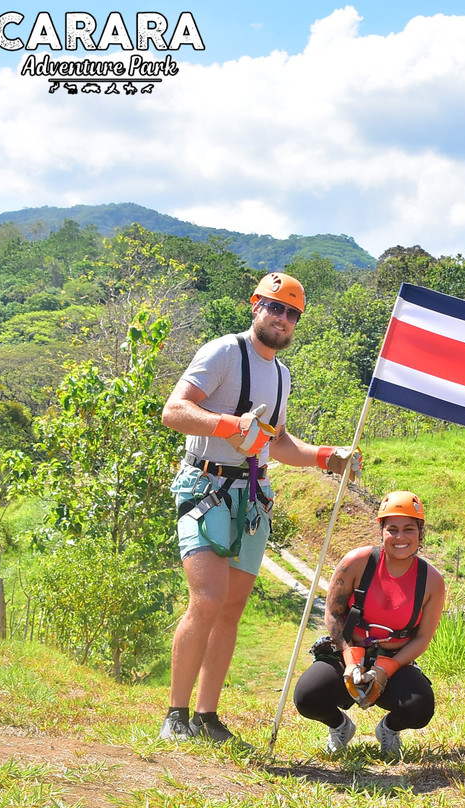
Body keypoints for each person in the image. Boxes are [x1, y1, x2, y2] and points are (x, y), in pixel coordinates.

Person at [159, 272, 360, 743]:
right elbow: (174, 410)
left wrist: (327, 458)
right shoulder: (224, 351)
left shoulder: (282, 374)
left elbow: (277, 441)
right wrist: (227, 425)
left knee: (230, 609)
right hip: (204, 486)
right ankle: (175, 714)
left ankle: (206, 718)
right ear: (255, 306)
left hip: (250, 496)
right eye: (275, 308)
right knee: (206, 599)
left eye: (292, 313)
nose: (283, 319)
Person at [293, 491, 446, 756]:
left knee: (420, 708)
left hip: (394, 661)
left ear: (421, 532)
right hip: (346, 652)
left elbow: (422, 638)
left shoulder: (432, 581)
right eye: (392, 529)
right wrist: (350, 659)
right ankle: (339, 726)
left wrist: (389, 667)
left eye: (409, 529)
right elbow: (333, 614)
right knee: (308, 697)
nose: (400, 537)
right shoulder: (357, 563)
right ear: (381, 531)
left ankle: (389, 729)